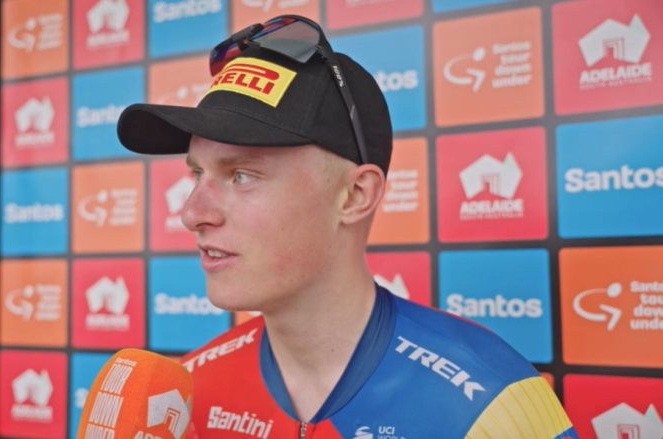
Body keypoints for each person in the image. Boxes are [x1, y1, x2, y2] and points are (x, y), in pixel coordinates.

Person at [117, 15, 577, 439]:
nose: (192, 213)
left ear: (355, 196)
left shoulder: (489, 403)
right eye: (197, 174)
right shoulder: (186, 394)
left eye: (241, 175)